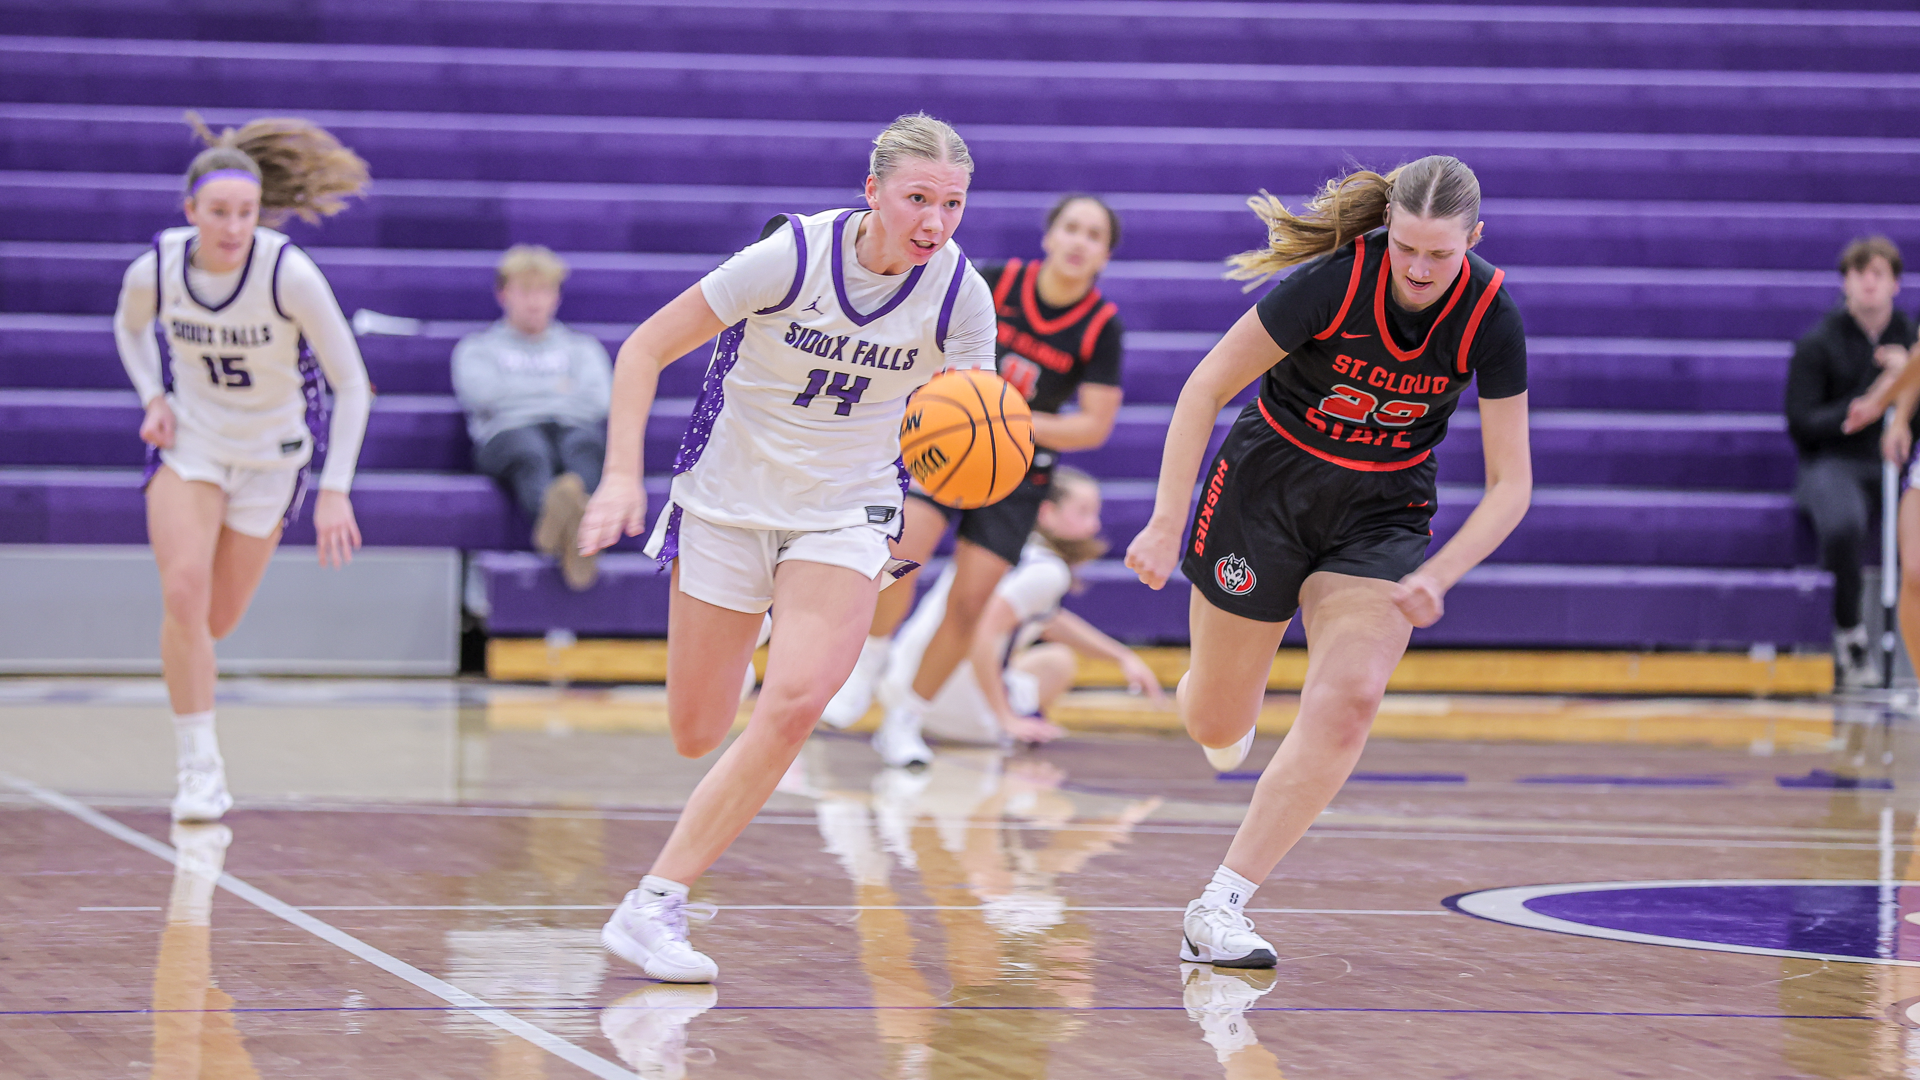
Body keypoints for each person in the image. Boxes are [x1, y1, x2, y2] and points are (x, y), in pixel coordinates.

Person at [574, 113, 997, 983]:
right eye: (918, 198)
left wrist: (980, 440)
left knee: (798, 700)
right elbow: (645, 348)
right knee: (697, 732)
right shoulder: (792, 257)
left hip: (847, 512)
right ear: (872, 191)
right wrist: (621, 476)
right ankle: (768, 620)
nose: (935, 222)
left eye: (952, 203)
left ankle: (656, 901)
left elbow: (971, 413)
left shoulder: (960, 296)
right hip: (728, 500)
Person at [1123, 156, 1531, 968]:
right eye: (1406, 247)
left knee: (1351, 698)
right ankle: (1209, 695)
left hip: (1380, 515)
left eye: (1440, 254)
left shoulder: (1491, 312)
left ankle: (1221, 905)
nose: (1418, 269)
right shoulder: (1334, 283)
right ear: (1387, 233)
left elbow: (1511, 484)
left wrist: (1437, 575)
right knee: (1217, 720)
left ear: (1474, 240)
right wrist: (1167, 521)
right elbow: (1202, 389)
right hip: (1266, 489)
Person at [113, 114, 371, 824]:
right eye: (219, 212)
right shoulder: (157, 269)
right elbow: (128, 326)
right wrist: (153, 395)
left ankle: (199, 726)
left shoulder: (288, 272)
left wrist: (334, 491)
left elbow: (353, 385)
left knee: (216, 618)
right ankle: (199, 767)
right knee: (184, 594)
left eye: (246, 213)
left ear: (261, 214)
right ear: (190, 210)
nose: (232, 227)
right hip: (191, 446)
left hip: (272, 459)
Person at [822, 194, 1127, 767]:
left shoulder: (1101, 328)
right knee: (899, 553)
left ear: (1104, 255)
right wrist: (961, 406)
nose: (1079, 241)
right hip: (953, 448)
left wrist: (1004, 416)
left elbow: (1094, 425)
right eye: (1072, 228)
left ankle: (906, 720)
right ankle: (869, 662)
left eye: (1093, 235)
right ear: (1050, 236)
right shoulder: (995, 283)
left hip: (1018, 469)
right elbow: (925, 338)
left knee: (970, 604)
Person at [882, 467, 1164, 747]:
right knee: (1057, 663)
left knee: (1047, 656)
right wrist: (1005, 718)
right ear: (1046, 513)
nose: (1095, 526)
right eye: (1083, 512)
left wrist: (1120, 656)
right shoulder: (1048, 571)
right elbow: (982, 631)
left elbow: (1049, 621)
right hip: (946, 705)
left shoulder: (991, 550)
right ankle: (1014, 729)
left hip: (898, 685)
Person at [1785, 236, 1916, 688]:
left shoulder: (1910, 340)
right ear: (1845, 282)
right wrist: (1866, 402)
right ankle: (1850, 634)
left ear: (1896, 283)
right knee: (1843, 523)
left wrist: (1906, 386)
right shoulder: (1818, 343)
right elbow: (1801, 422)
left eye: (1878, 273)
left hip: (1899, 462)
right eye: (1859, 273)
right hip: (1836, 461)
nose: (1868, 282)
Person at [452, 245, 613, 590]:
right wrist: (559, 390)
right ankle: (571, 526)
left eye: (544, 291)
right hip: (507, 436)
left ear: (556, 296)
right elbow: (482, 395)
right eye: (525, 291)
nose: (535, 301)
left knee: (585, 445)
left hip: (570, 429)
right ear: (503, 294)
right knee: (529, 450)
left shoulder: (582, 348)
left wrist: (519, 391)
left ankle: (559, 524)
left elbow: (599, 401)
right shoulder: (477, 348)